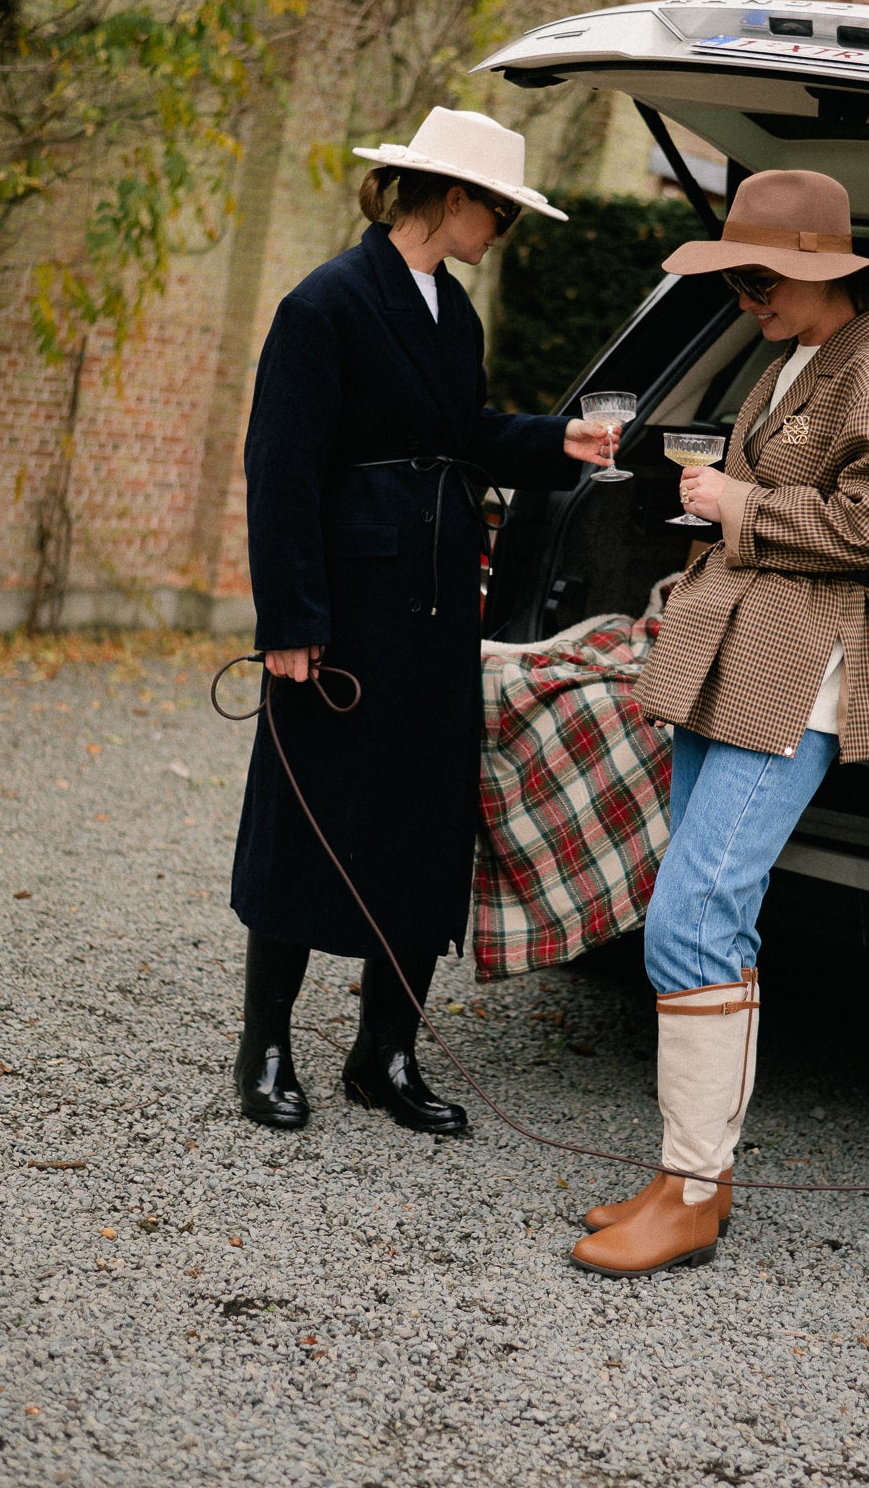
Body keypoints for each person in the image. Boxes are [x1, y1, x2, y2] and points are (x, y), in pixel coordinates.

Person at [571, 168, 869, 1277]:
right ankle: (695, 1174)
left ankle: (691, 1189)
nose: (744, 299)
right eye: (737, 283)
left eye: (758, 281)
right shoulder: (797, 359)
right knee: (709, 917)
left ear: (819, 273)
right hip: (736, 654)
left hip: (795, 674)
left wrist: (742, 505)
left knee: (692, 921)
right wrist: (717, 502)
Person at [230, 107, 615, 1135]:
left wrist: (554, 441)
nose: (504, 232)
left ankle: (383, 1052)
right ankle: (263, 1045)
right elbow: (281, 468)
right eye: (502, 212)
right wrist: (292, 618)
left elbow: (465, 433)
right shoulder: (326, 304)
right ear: (455, 199)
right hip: (348, 609)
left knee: (419, 821)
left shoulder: (455, 311)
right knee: (309, 808)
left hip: (442, 600)